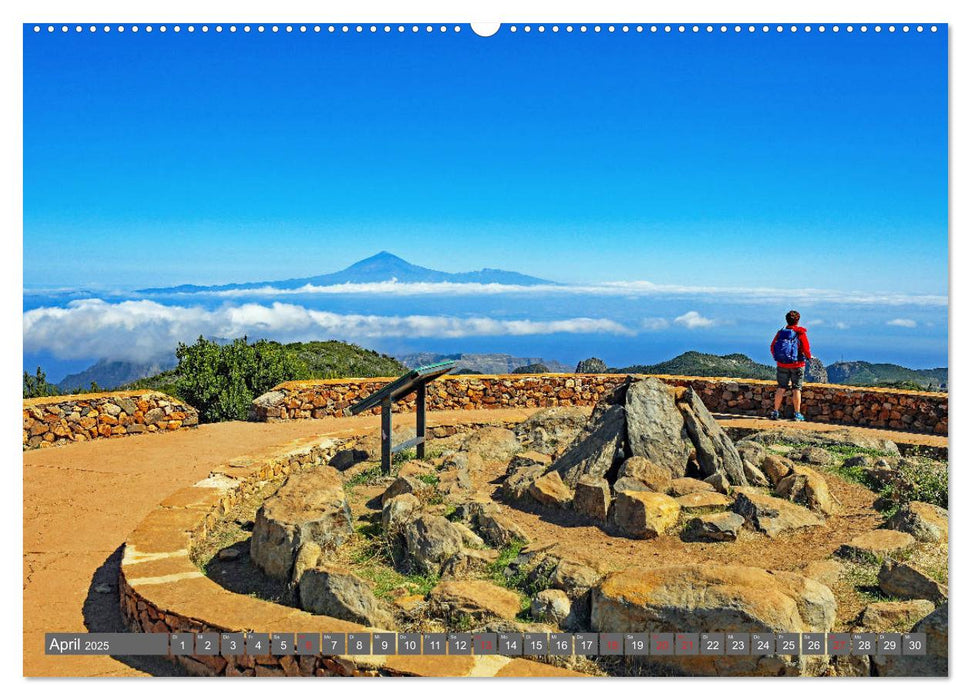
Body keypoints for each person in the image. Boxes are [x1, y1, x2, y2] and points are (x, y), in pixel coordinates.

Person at [769, 310, 811, 421]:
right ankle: (797, 414)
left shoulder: (781, 332)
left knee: (781, 388)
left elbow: (772, 346)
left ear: (786, 319)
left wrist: (778, 358)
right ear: (798, 320)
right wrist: (809, 357)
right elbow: (806, 348)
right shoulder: (800, 333)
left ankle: (775, 412)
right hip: (797, 364)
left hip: (782, 364)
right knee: (796, 389)